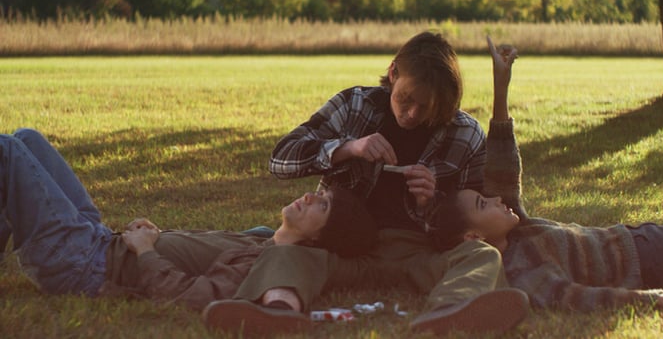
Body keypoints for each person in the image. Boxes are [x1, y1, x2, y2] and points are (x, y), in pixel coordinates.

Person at [206, 32, 530, 337]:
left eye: (426, 107)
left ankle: (450, 313)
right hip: (344, 245)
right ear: (392, 74)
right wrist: (347, 149)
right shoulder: (354, 105)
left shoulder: (464, 133)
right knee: (286, 252)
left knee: (481, 255)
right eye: (405, 98)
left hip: (419, 251)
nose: (412, 113)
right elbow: (280, 160)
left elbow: (475, 210)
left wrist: (432, 200)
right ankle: (279, 312)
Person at [428, 43, 663, 313]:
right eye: (482, 203)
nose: (495, 198)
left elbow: (503, 167)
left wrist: (501, 86)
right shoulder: (520, 268)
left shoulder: (518, 228)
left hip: (641, 238)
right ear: (474, 236)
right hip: (654, 260)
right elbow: (578, 298)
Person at [0, 127, 378, 324]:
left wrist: (146, 251)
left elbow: (191, 297)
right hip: (99, 240)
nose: (310, 197)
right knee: (27, 138)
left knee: (7, 150)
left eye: (322, 205)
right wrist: (154, 235)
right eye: (319, 194)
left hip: (82, 264)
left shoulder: (262, 266)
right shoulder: (261, 240)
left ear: (317, 239)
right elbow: (193, 254)